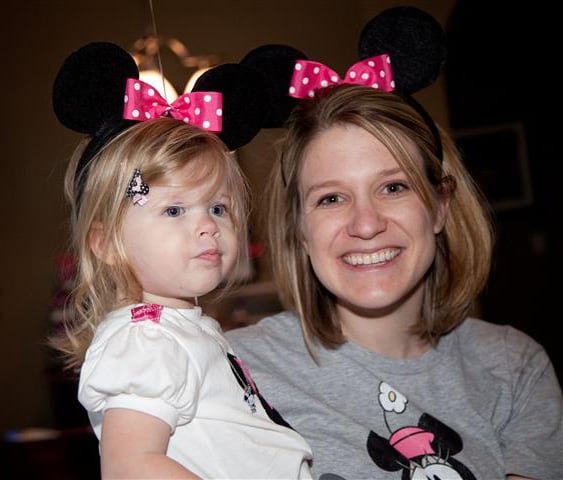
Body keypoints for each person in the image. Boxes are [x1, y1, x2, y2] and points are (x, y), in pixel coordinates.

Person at [227, 82, 563, 479]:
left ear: (439, 207)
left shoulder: (514, 369)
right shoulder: (232, 370)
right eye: (331, 198)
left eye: (393, 187)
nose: (366, 225)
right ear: (300, 230)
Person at [50, 42, 312, 479]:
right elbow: (130, 465)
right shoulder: (145, 339)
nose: (208, 226)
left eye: (218, 208)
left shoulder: (178, 329)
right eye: (174, 211)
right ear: (106, 242)